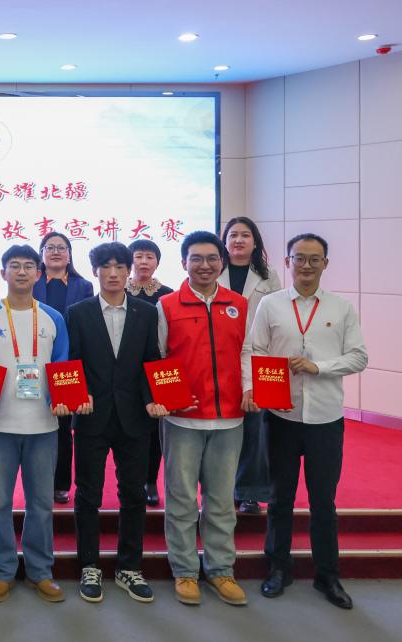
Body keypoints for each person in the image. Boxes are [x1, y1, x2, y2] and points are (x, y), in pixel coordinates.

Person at [250, 233, 367, 609]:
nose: (306, 265)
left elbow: (359, 356)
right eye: (299, 258)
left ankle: (327, 575)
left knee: (323, 502)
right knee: (279, 498)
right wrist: (264, 388)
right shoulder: (270, 304)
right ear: (287, 262)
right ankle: (278, 568)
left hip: (325, 419)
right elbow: (255, 350)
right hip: (281, 417)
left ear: (325, 264)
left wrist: (319, 367)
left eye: (314, 259)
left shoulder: (341, 307)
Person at [155, 230, 252, 607]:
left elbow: (247, 352)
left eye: (212, 258)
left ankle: (221, 569)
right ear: (184, 262)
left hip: (230, 419)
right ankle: (184, 570)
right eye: (196, 258)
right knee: (180, 499)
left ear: (222, 263)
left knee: (221, 501)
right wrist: (170, 399)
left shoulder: (239, 304)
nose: (205, 265)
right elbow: (159, 358)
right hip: (183, 421)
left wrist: (249, 389)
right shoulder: (167, 305)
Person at [0, 244, 68, 604]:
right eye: (15, 265)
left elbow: (62, 365)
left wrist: (63, 399)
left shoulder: (53, 318)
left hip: (44, 426)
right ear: (3, 273)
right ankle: (2, 571)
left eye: (29, 266)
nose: (22, 272)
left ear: (39, 274)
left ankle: (40, 571)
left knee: (41, 503)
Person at [64, 242, 163, 604]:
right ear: (95, 271)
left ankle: (129, 566)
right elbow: (71, 362)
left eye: (120, 266)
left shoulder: (146, 312)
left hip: (135, 416)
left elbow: (151, 360)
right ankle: (89, 565)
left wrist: (153, 398)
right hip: (92, 415)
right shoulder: (78, 312)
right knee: (87, 494)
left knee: (133, 494)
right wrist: (77, 396)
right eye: (106, 266)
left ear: (128, 271)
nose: (114, 273)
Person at [218, 216, 282, 515]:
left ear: (255, 242)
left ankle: (249, 492)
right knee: (221, 427)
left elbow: (278, 317)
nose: (239, 240)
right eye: (233, 235)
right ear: (224, 241)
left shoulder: (268, 275)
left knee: (255, 428)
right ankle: (221, 490)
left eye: (245, 235)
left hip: (258, 355)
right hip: (219, 356)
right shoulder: (213, 270)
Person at [31, 232, 94, 505]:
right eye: (50, 247)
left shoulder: (83, 286)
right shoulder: (31, 282)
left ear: (69, 255)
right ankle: (38, 482)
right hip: (33, 362)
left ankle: (60, 484)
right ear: (42, 254)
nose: (55, 252)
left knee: (63, 427)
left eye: (61, 248)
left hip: (67, 364)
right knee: (34, 422)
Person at [126, 239, 174, 507]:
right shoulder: (118, 290)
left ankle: (150, 481)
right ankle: (131, 480)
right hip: (126, 368)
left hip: (157, 367)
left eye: (149, 257)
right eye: (138, 256)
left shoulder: (167, 294)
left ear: (157, 262)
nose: (144, 261)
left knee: (154, 428)